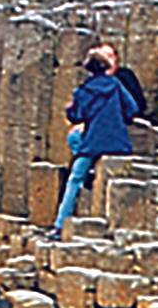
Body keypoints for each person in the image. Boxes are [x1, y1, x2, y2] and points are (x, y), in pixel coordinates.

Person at [44, 45, 144, 239]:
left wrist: (71, 109)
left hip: (92, 143)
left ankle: (59, 225)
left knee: (74, 179)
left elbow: (75, 115)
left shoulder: (84, 90)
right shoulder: (116, 85)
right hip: (118, 144)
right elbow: (131, 109)